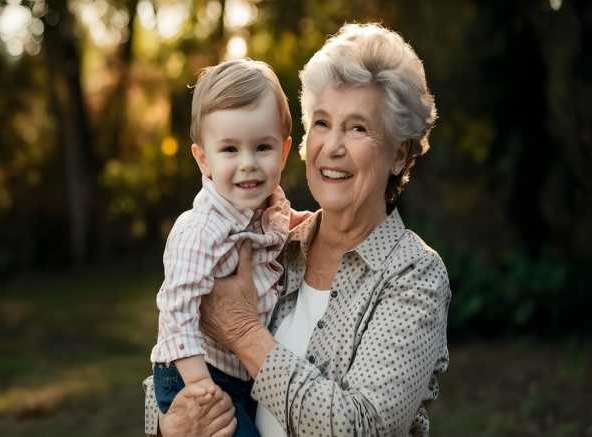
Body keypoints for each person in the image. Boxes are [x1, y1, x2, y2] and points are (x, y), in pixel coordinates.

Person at [145, 22, 450, 437]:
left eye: (357, 127)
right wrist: (168, 426)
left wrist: (244, 333)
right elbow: (176, 366)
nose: (333, 147)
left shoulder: (413, 276)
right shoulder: (273, 244)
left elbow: (362, 428)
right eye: (322, 123)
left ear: (399, 154)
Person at [149, 58, 293, 437]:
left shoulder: (269, 205)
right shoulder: (200, 229)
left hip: (238, 371)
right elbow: (176, 309)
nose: (248, 164)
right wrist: (199, 386)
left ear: (284, 152)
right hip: (194, 371)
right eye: (230, 150)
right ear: (203, 159)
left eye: (262, 147)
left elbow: (284, 227)